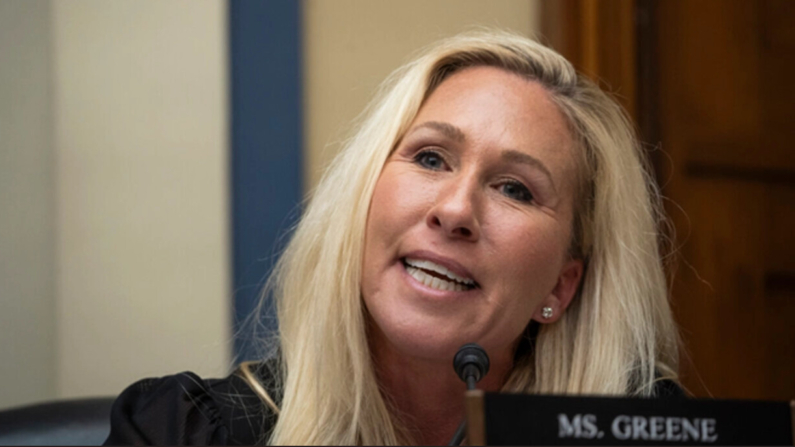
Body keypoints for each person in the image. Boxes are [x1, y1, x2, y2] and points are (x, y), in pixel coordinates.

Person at [105, 30, 681, 446]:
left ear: (561, 283)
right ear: (362, 199)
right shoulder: (180, 432)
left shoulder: (653, 432)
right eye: (430, 157)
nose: (456, 210)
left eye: (516, 190)